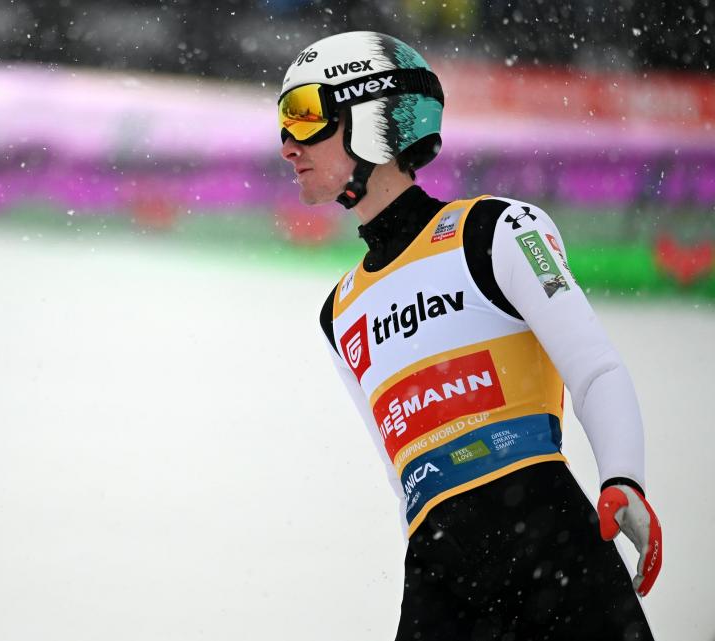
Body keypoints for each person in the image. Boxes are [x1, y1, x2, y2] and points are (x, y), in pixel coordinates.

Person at [278, 31, 662, 640]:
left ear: (372, 120)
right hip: (439, 581)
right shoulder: (340, 312)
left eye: (303, 115)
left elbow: (595, 369)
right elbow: (408, 485)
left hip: (551, 548)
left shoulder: (497, 230)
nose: (287, 144)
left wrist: (623, 478)